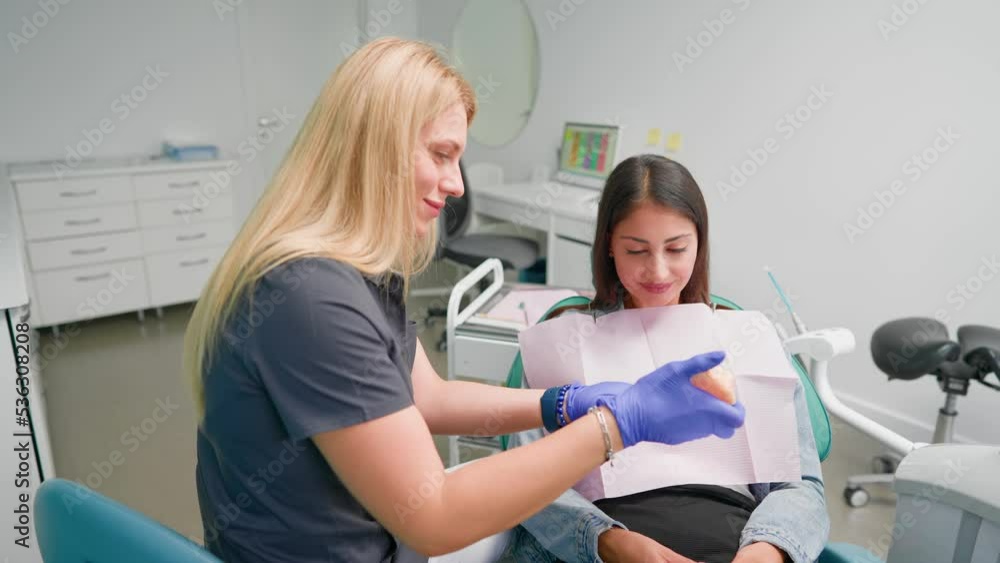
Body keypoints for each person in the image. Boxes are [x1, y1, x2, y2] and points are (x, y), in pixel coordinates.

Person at [182, 38, 746, 563]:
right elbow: (434, 515)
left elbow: (428, 396)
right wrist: (617, 424)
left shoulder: (360, 271)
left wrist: (560, 403)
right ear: (373, 147)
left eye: (459, 159)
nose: (456, 184)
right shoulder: (309, 299)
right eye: (441, 154)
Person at [504, 155, 829, 563]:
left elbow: (801, 487)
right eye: (636, 250)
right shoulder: (565, 340)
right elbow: (523, 483)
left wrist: (768, 550)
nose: (657, 271)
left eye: (676, 248)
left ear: (699, 242)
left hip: (736, 539)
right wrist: (609, 543)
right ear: (609, 245)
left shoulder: (748, 339)